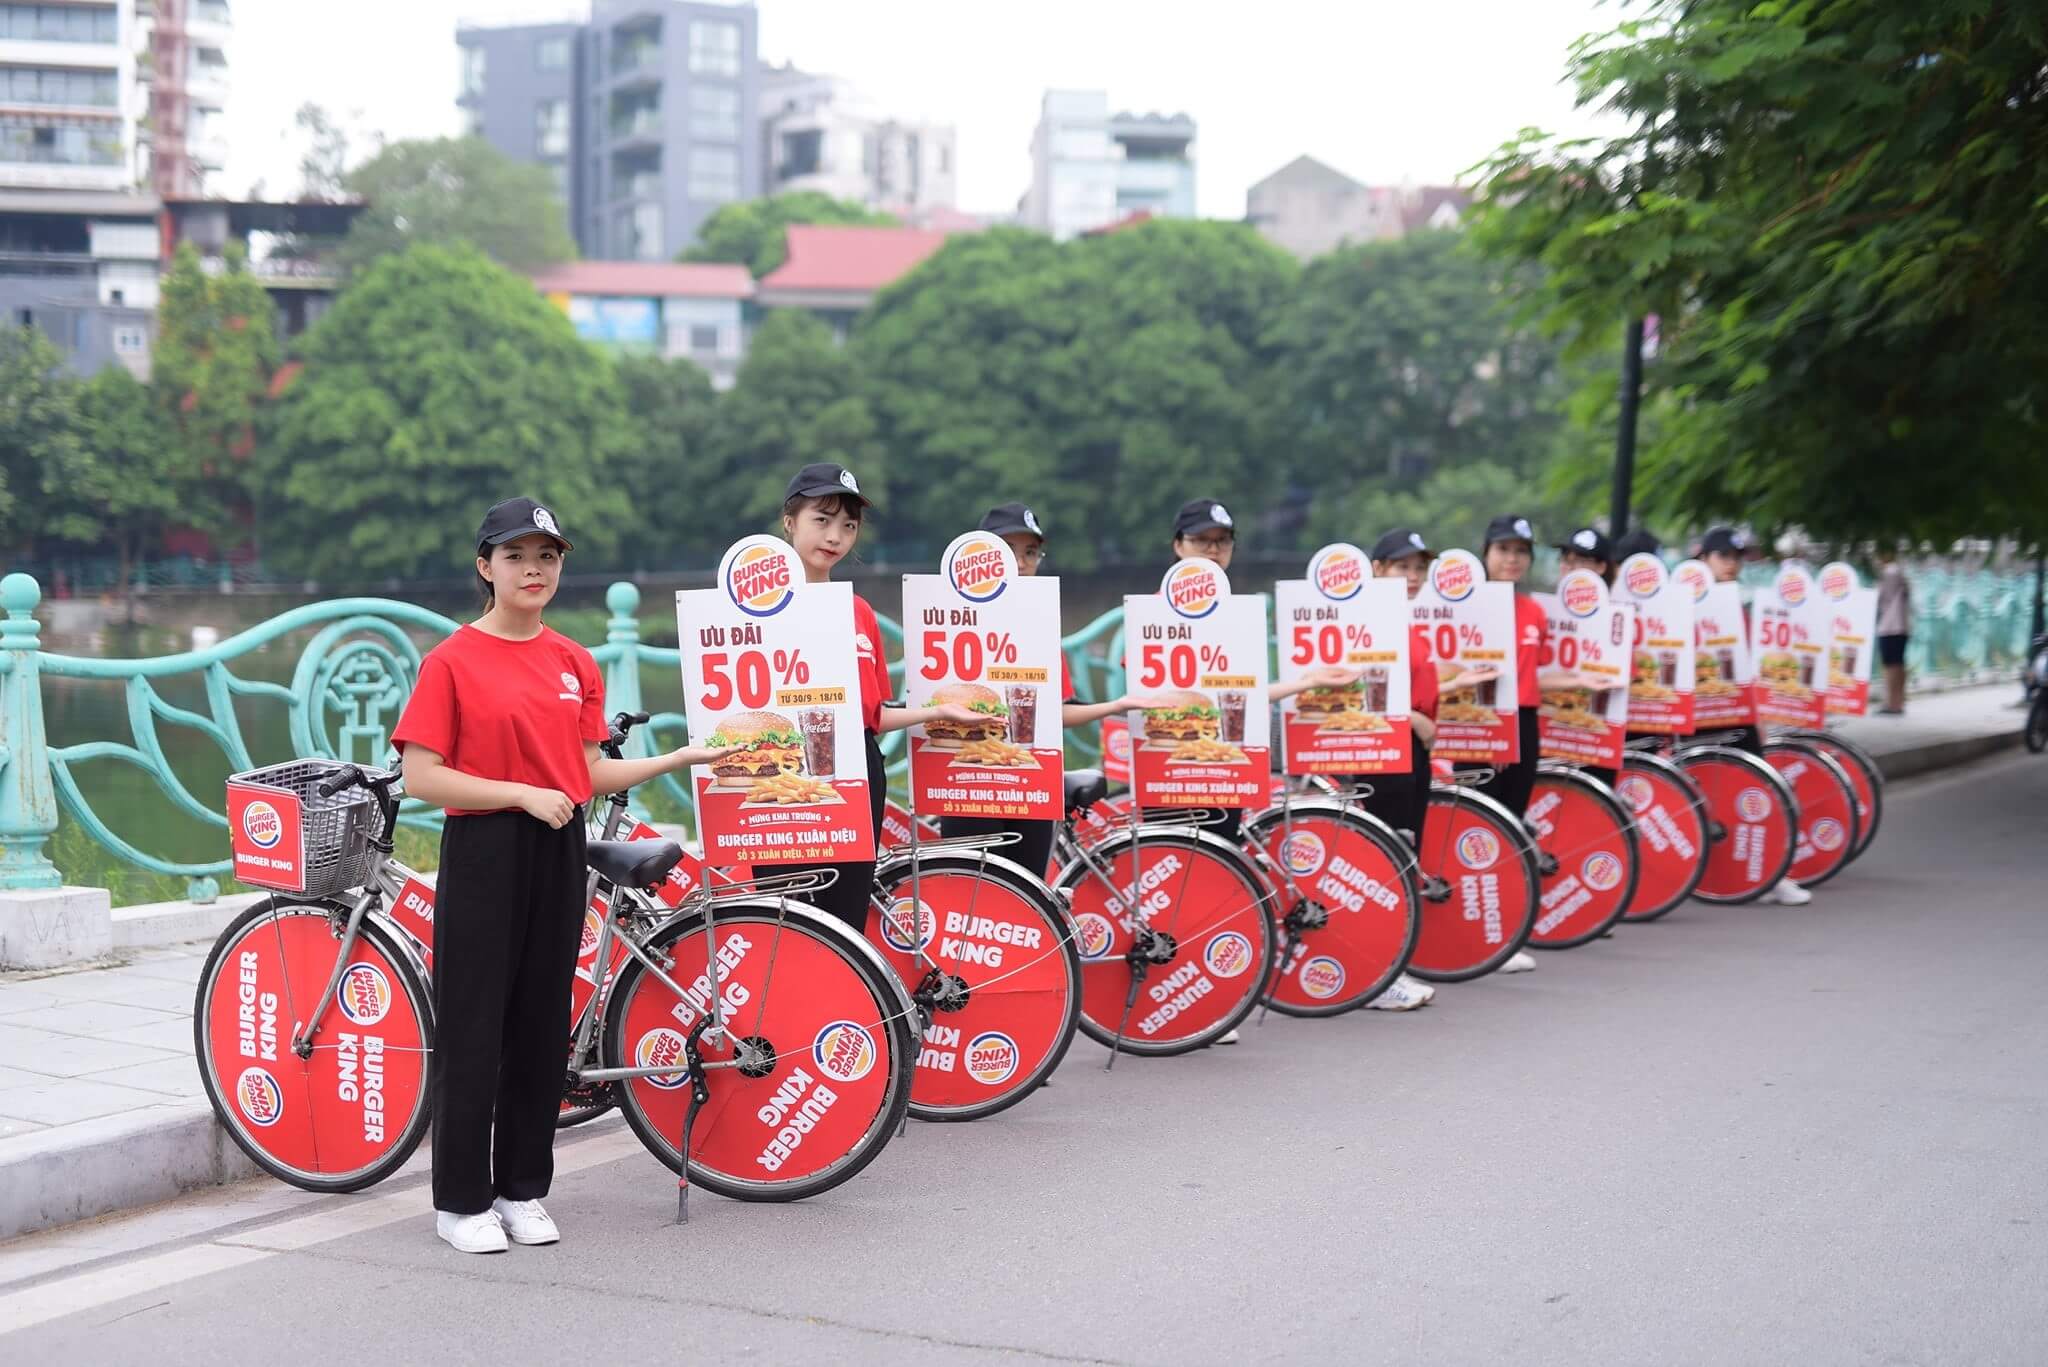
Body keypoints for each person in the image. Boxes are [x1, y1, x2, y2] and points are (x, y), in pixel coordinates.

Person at [395, 497, 737, 1255]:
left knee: (542, 1025)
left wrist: (679, 758)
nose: (535, 570)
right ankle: (459, 1199)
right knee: (473, 1027)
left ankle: (522, 1188)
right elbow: (423, 776)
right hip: (485, 848)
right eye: (517, 556)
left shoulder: (573, 660)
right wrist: (517, 791)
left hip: (558, 847)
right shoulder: (450, 660)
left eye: (548, 557)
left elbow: (589, 772)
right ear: (486, 566)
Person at [1155, 498, 1363, 1035]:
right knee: (1173, 883)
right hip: (1170, 766)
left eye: (1223, 541)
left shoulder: (1238, 615)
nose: (1214, 551)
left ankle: (1212, 1002)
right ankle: (1171, 1004)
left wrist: (1308, 681)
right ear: (1178, 547)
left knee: (1221, 878)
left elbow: (1243, 693)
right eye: (1203, 541)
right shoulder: (1153, 616)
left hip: (1224, 765)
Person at [774, 464, 987, 932]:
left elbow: (870, 717)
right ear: (790, 521)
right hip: (782, 784)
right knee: (784, 920)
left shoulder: (859, 612)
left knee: (845, 920)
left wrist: (937, 711)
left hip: (856, 773)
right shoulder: (752, 610)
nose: (835, 536)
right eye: (822, 520)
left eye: (848, 526)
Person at [936, 501, 1166, 877]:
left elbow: (1059, 711)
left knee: (1028, 897)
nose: (1023, 562)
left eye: (1030, 552)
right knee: (967, 899)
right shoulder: (942, 622)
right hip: (966, 786)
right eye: (1009, 551)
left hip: (1030, 782)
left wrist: (1114, 705)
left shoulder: (1041, 630)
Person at [1700, 525, 1811, 906]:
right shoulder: (1679, 602)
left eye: (1736, 558)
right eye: (1723, 557)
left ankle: (1774, 873)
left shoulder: (1737, 608)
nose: (1731, 565)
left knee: (1761, 786)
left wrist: (1758, 715)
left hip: (1734, 711)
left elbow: (1748, 667)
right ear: (1703, 558)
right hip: (1692, 715)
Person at [1554, 525, 1623, 791]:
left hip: (1597, 738)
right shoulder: (1544, 611)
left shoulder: (1618, 617)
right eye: (1567, 561)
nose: (1571, 569)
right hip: (1552, 735)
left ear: (1601, 568)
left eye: (1582, 561)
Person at [1876, 554, 1911, 715]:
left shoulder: (1890, 573)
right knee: (1898, 664)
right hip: (1901, 625)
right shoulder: (1901, 574)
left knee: (1890, 666)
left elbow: (1880, 597)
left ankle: (1892, 703)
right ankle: (1898, 702)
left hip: (1890, 626)